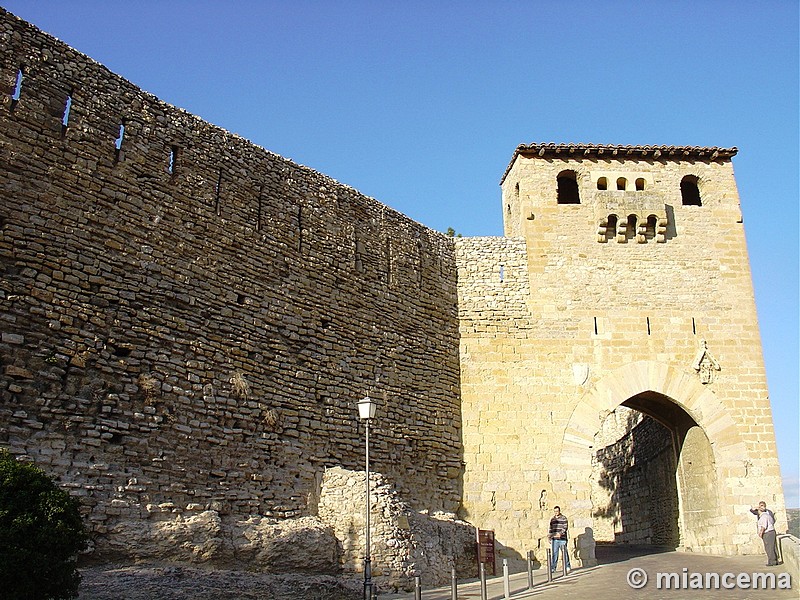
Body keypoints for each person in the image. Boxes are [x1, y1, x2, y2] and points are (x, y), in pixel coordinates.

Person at [754, 501, 779, 566]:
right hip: (771, 532)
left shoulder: (764, 516)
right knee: (771, 547)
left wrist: (760, 533)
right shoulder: (768, 515)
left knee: (769, 548)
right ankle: (774, 561)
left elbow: (764, 526)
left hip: (768, 533)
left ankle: (772, 562)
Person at [548, 506, 571, 573]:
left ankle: (567, 566)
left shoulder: (564, 518)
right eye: (555, 511)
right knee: (555, 554)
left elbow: (565, 527)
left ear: (559, 511)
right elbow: (551, 528)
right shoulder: (552, 519)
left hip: (562, 539)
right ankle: (553, 567)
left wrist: (560, 533)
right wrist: (550, 536)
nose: (556, 512)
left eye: (557, 511)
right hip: (554, 539)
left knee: (565, 553)